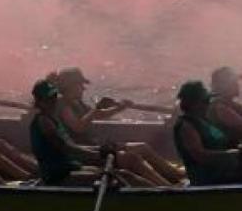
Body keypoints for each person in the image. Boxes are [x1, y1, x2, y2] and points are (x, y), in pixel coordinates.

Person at [52, 67, 183, 186]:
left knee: (142, 147)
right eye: (80, 85)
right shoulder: (62, 104)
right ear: (70, 86)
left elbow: (99, 115)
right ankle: (166, 188)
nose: (83, 88)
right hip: (83, 152)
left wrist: (120, 107)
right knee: (131, 159)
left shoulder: (76, 102)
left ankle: (176, 176)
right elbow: (78, 127)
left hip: (94, 147)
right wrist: (95, 110)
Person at [29, 79, 144, 186]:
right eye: (49, 98)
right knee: (118, 177)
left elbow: (72, 146)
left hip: (69, 167)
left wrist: (100, 150)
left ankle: (156, 192)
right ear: (40, 101)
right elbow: (68, 148)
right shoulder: (44, 122)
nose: (53, 101)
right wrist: (98, 154)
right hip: (56, 175)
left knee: (123, 174)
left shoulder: (51, 118)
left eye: (54, 96)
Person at [174, 80, 242, 185]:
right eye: (206, 100)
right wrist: (233, 154)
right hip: (208, 177)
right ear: (194, 103)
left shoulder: (204, 121)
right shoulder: (186, 127)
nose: (208, 103)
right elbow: (201, 156)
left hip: (224, 169)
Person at [208, 67, 242, 145]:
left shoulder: (229, 104)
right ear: (224, 86)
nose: (237, 85)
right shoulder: (220, 107)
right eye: (233, 82)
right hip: (229, 154)